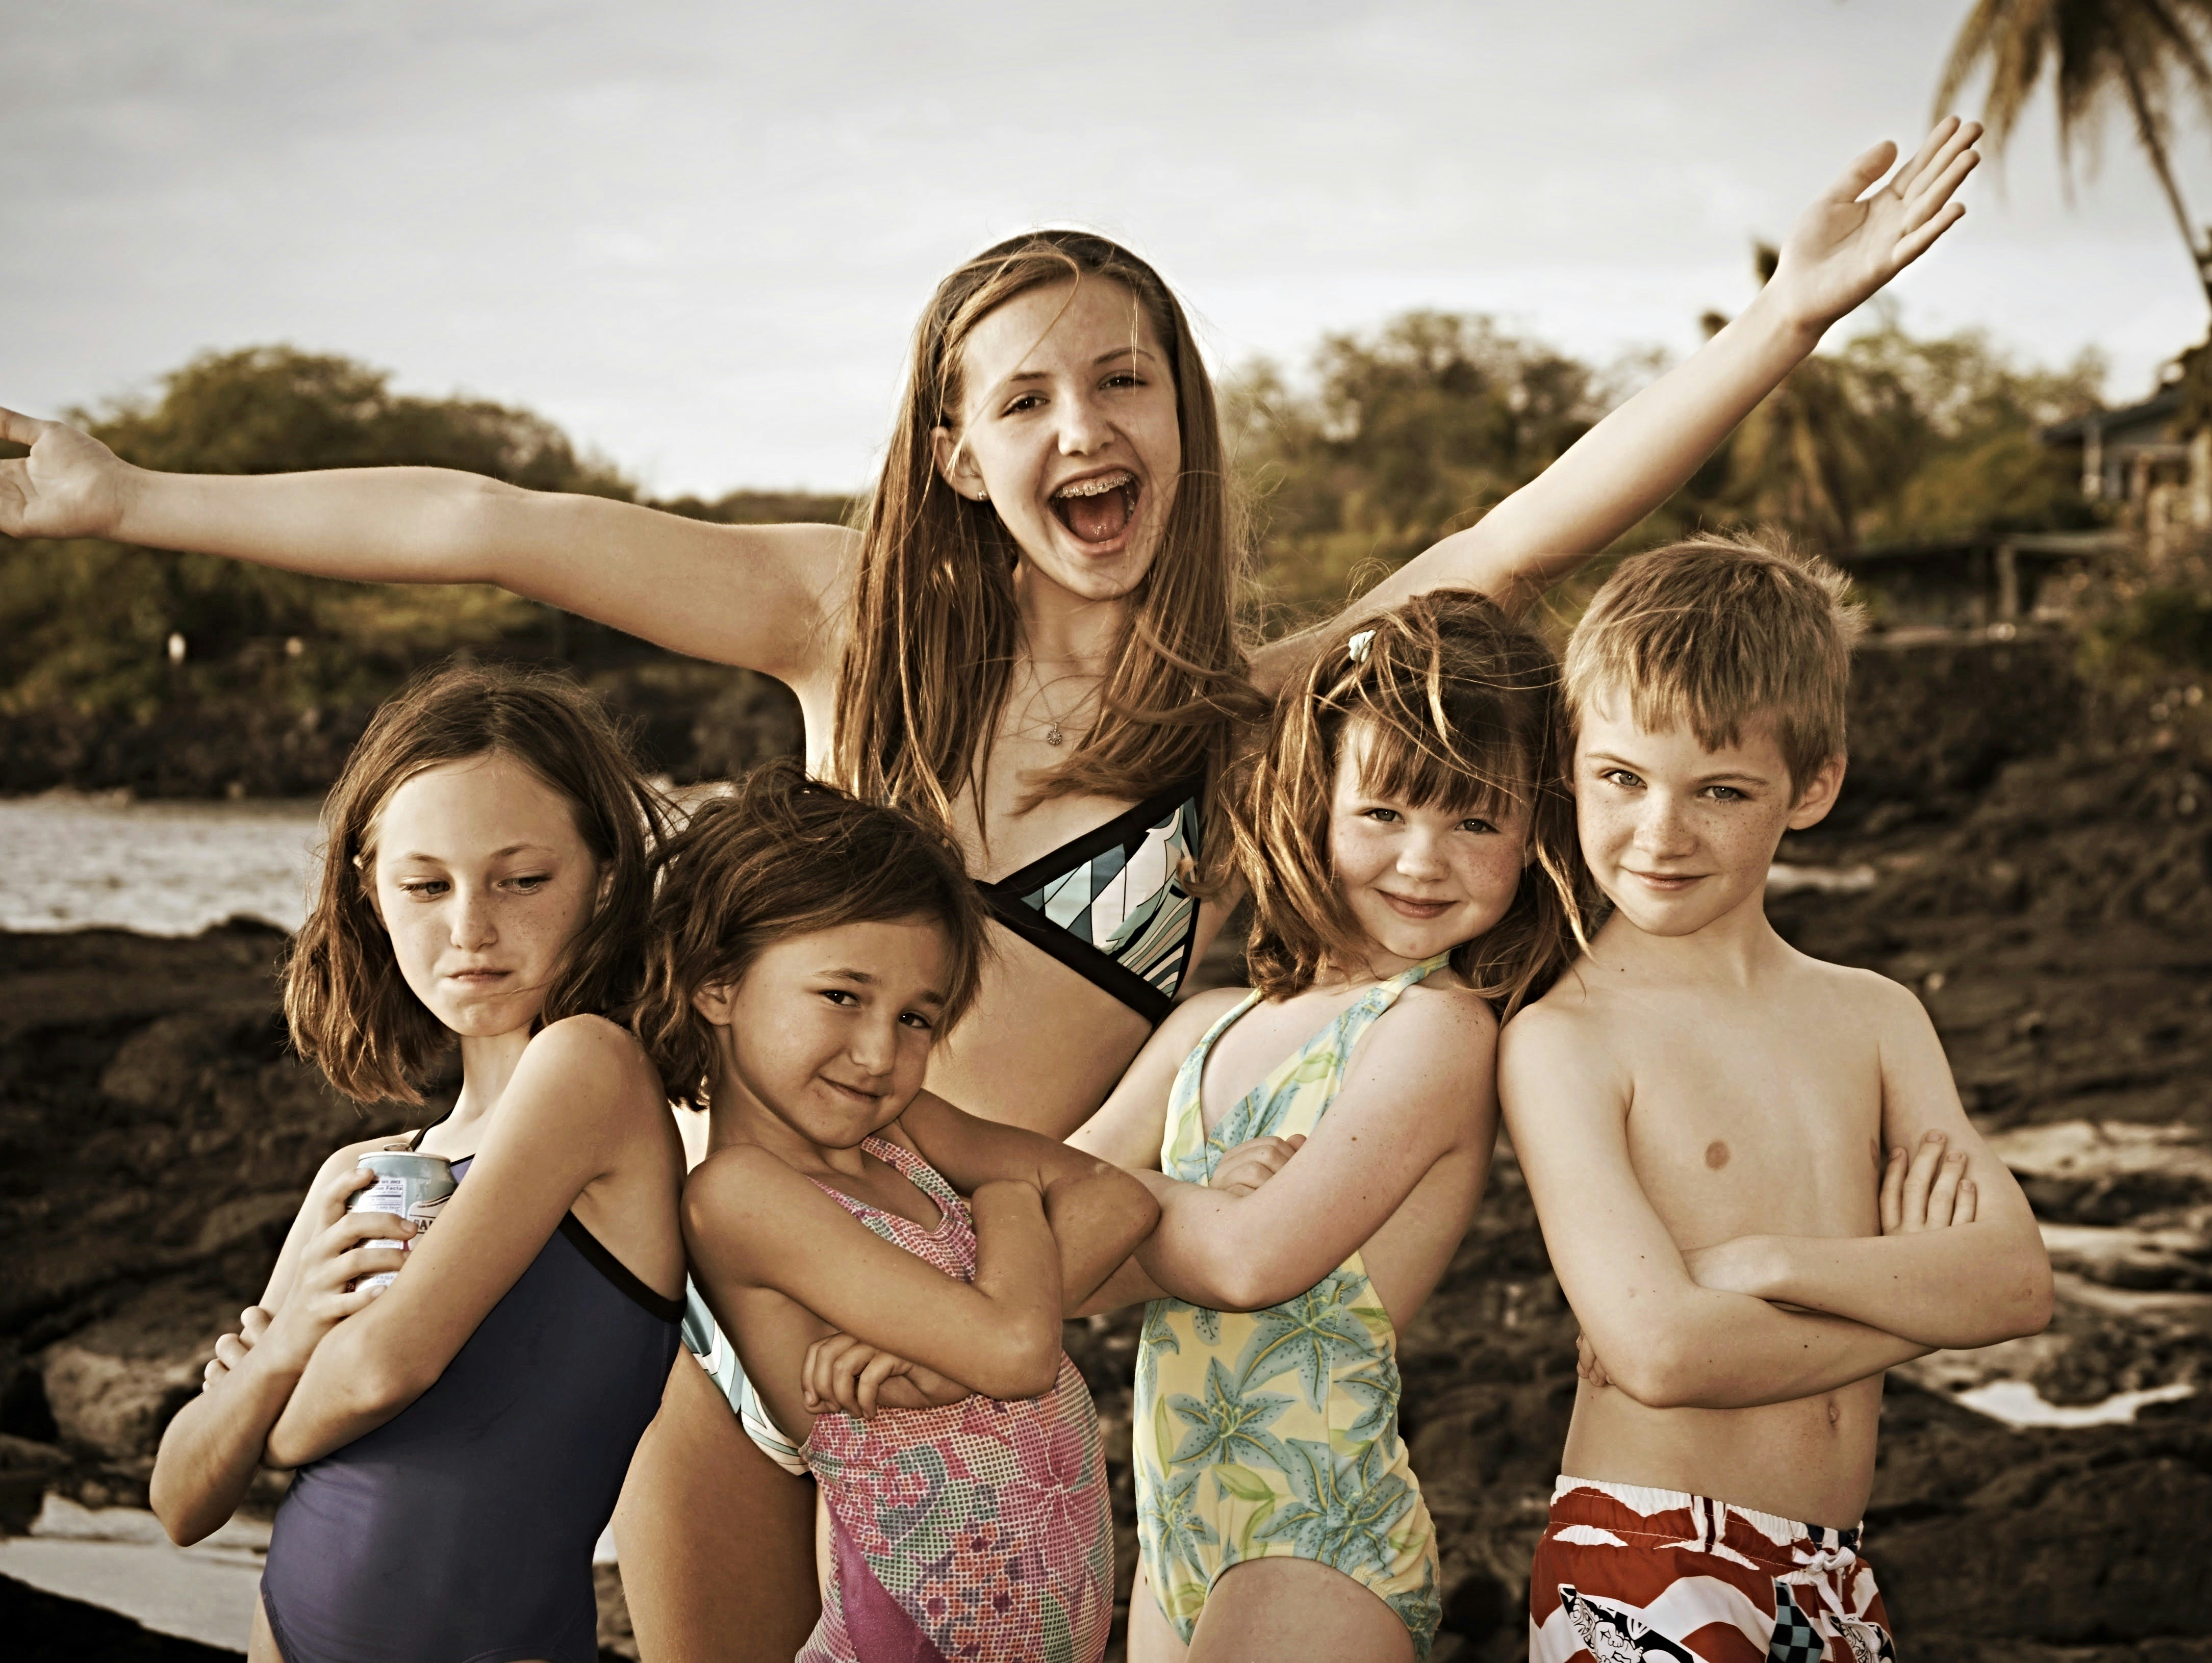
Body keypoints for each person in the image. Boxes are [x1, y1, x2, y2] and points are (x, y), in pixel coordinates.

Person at [3, 118, 1982, 1656]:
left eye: (1119, 382)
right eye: (1021, 397)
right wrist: (127, 495)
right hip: (713, 1302)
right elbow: (488, 524)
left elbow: (1503, 540)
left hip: (964, 1343)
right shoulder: (830, 616)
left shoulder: (1226, 720)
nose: (1078, 427)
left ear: (1176, 419)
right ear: (951, 449)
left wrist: (1782, 316)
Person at [1497, 534, 2055, 1663]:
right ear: (1569, 763)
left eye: (1719, 790)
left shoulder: (1875, 1015)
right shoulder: (1564, 1038)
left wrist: (1768, 1264)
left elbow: (2012, 1283)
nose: (1659, 832)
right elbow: (1659, 1352)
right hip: (1646, 1552)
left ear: (1812, 788)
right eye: (1620, 778)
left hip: (1835, 1566)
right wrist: (1916, 1302)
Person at [1068, 590, 1580, 1660]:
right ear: (1314, 799)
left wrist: (1139, 1221)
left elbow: (1254, 1259)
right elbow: (1036, 1241)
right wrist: (1176, 1215)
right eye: (1385, 811)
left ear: (1534, 834)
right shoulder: (1204, 1028)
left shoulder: (1434, 1032)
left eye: (1475, 819)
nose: (1422, 860)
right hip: (1168, 1534)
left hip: (1318, 1532)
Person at [148, 662, 687, 1663]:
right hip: (285, 1630)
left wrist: (269, 1404)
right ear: (370, 888)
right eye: (426, 884)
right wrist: (281, 1352)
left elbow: (384, 1368)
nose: (471, 927)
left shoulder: (589, 1071)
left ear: (604, 874)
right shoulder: (363, 1168)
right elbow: (181, 1499)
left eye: (522, 879)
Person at [630, 760, 1158, 1662]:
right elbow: (1022, 1351)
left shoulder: (906, 1131)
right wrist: (1008, 1203)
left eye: (918, 1017)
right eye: (842, 996)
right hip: (916, 1630)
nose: (880, 1053)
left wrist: (944, 1354)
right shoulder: (741, 1196)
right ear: (716, 983)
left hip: (1034, 1620)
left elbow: (1120, 1197)